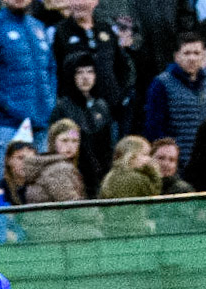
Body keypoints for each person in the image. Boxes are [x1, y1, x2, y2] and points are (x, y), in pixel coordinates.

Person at [0, 0, 57, 176]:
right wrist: (7, 105)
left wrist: (50, 102)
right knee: (8, 187)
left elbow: (50, 69)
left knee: (40, 188)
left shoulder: (38, 26)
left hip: (40, 124)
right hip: (4, 125)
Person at [52, 0, 134, 137]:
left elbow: (123, 67)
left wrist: (117, 96)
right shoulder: (61, 32)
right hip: (75, 116)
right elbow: (55, 71)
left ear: (95, 2)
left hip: (109, 113)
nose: (79, 3)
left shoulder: (106, 29)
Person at [142, 32, 206, 169]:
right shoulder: (162, 83)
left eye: (196, 53)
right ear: (177, 56)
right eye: (187, 53)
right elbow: (155, 127)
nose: (192, 58)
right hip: (178, 163)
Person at [51, 51, 114, 195]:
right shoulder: (63, 108)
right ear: (70, 75)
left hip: (101, 178)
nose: (85, 77)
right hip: (72, 176)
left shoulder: (101, 106)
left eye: (90, 71)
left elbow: (108, 146)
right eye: (79, 72)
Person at [97, 132, 158, 198]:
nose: (149, 159)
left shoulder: (113, 175)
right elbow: (154, 194)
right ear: (131, 156)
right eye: (145, 154)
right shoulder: (136, 179)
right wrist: (153, 172)